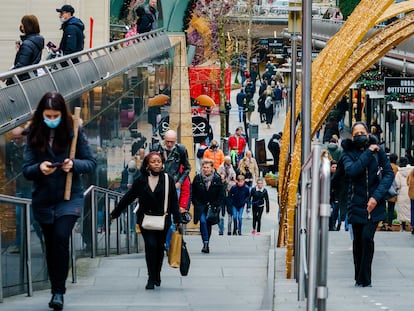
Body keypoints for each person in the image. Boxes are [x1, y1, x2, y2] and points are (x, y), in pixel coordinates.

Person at [22, 92, 96, 310]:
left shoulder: (74, 131)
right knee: (51, 244)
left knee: (61, 238)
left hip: (69, 196)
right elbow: (26, 169)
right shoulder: (33, 133)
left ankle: (58, 292)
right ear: (41, 114)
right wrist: (39, 168)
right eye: (48, 115)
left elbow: (90, 162)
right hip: (44, 198)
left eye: (55, 115)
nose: (51, 118)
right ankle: (55, 285)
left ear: (61, 114)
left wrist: (72, 164)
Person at [110, 152, 182, 289]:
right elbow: (128, 197)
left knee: (160, 247)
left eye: (159, 161)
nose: (156, 163)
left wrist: (177, 218)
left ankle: (157, 274)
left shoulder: (168, 179)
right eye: (153, 161)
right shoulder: (141, 180)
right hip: (145, 220)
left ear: (162, 164)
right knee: (150, 246)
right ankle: (150, 277)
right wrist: (115, 213)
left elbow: (173, 201)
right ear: (148, 164)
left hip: (163, 219)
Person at [341, 121, 393, 288]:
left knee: (367, 238)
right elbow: (353, 170)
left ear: (368, 133)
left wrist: (376, 198)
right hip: (356, 203)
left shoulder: (380, 151)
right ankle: (358, 277)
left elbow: (388, 174)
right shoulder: (348, 153)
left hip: (375, 204)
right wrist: (369, 152)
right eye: (356, 134)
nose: (360, 136)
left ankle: (366, 278)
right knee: (358, 242)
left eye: (362, 132)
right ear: (352, 136)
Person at [6, 127, 42, 253]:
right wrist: (11, 177)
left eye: (19, 138)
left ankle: (43, 241)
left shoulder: (30, 148)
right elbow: (7, 165)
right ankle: (19, 245)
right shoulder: (9, 147)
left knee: (34, 216)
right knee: (18, 216)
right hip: (19, 185)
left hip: (30, 185)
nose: (16, 141)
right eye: (14, 138)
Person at [192, 158, 224, 253]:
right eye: (204, 167)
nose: (205, 169)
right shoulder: (198, 178)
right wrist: (196, 202)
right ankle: (205, 243)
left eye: (207, 167)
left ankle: (206, 242)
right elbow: (193, 192)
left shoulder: (217, 179)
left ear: (212, 168)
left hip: (212, 206)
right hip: (200, 205)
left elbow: (221, 194)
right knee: (203, 221)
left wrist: (216, 205)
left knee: (208, 224)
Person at [150, 129, 191, 197]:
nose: (169, 144)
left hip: (174, 184)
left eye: (172, 142)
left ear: (175, 140)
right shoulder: (156, 148)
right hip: (159, 184)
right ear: (164, 139)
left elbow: (187, 168)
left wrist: (179, 182)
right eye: (167, 141)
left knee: (173, 206)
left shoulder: (180, 149)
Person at [8, 15, 44, 84]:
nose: (21, 27)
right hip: (32, 76)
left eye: (22, 25)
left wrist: (8, 76)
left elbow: (21, 65)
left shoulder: (27, 44)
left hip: (23, 79)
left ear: (27, 26)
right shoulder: (37, 40)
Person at [217, 156, 237, 235]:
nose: (230, 162)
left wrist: (233, 179)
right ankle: (221, 229)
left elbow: (234, 175)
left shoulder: (231, 167)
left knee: (229, 212)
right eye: (228, 161)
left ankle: (229, 230)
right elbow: (217, 176)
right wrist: (222, 179)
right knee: (221, 213)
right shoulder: (221, 167)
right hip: (222, 190)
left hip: (229, 189)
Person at [395, 157, 412, 231]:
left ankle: (403, 227)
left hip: (402, 193)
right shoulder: (412, 171)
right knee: (411, 209)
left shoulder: (399, 172)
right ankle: (412, 226)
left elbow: (397, 184)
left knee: (402, 210)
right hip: (410, 192)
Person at [383, 153, 398, 231]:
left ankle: (382, 223)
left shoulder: (386, 167)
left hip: (384, 189)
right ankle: (389, 225)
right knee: (391, 208)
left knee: (382, 207)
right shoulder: (397, 168)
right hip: (393, 190)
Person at [407, 167, 414, 234]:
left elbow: (407, 182)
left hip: (412, 194)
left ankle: (413, 226)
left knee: (412, 210)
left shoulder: (412, 172)